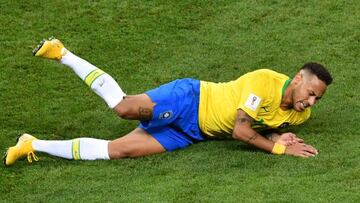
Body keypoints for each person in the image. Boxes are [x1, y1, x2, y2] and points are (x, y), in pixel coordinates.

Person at [3, 37, 333, 166]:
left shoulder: (299, 117)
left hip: (190, 132)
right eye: (311, 93)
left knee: (118, 151)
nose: (311, 102)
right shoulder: (264, 82)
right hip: (191, 100)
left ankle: (33, 143)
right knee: (123, 108)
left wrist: (278, 135)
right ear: (298, 78)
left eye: (317, 98)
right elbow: (241, 129)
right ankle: (63, 54)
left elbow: (263, 123)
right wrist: (278, 148)